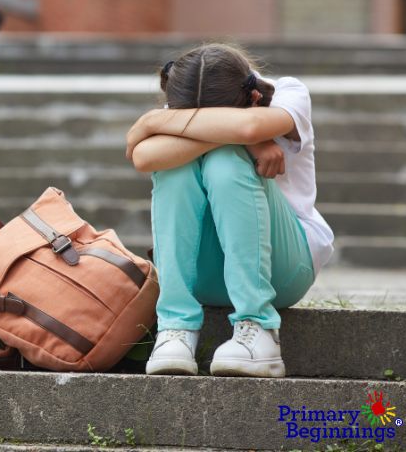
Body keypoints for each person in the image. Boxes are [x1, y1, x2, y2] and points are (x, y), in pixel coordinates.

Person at [126, 43, 334, 378]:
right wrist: (241, 137)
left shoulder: (288, 93)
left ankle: (259, 328)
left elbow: (249, 128)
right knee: (173, 168)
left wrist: (155, 122)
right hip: (208, 275)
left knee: (225, 160)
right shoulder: (189, 98)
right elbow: (144, 158)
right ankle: (175, 328)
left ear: (253, 100)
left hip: (285, 268)